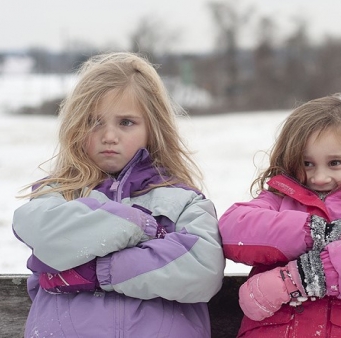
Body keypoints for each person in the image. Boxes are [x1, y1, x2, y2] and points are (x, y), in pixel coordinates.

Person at [12, 52, 224, 338]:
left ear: (153, 128)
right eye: (94, 122)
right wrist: (142, 227)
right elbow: (46, 233)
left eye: (126, 122)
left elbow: (201, 269)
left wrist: (99, 272)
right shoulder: (58, 194)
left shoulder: (182, 201)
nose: (108, 136)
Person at [218, 95, 341, 337]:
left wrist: (302, 277)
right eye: (307, 164)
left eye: (335, 163)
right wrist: (314, 233)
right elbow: (234, 228)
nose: (319, 178)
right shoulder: (278, 200)